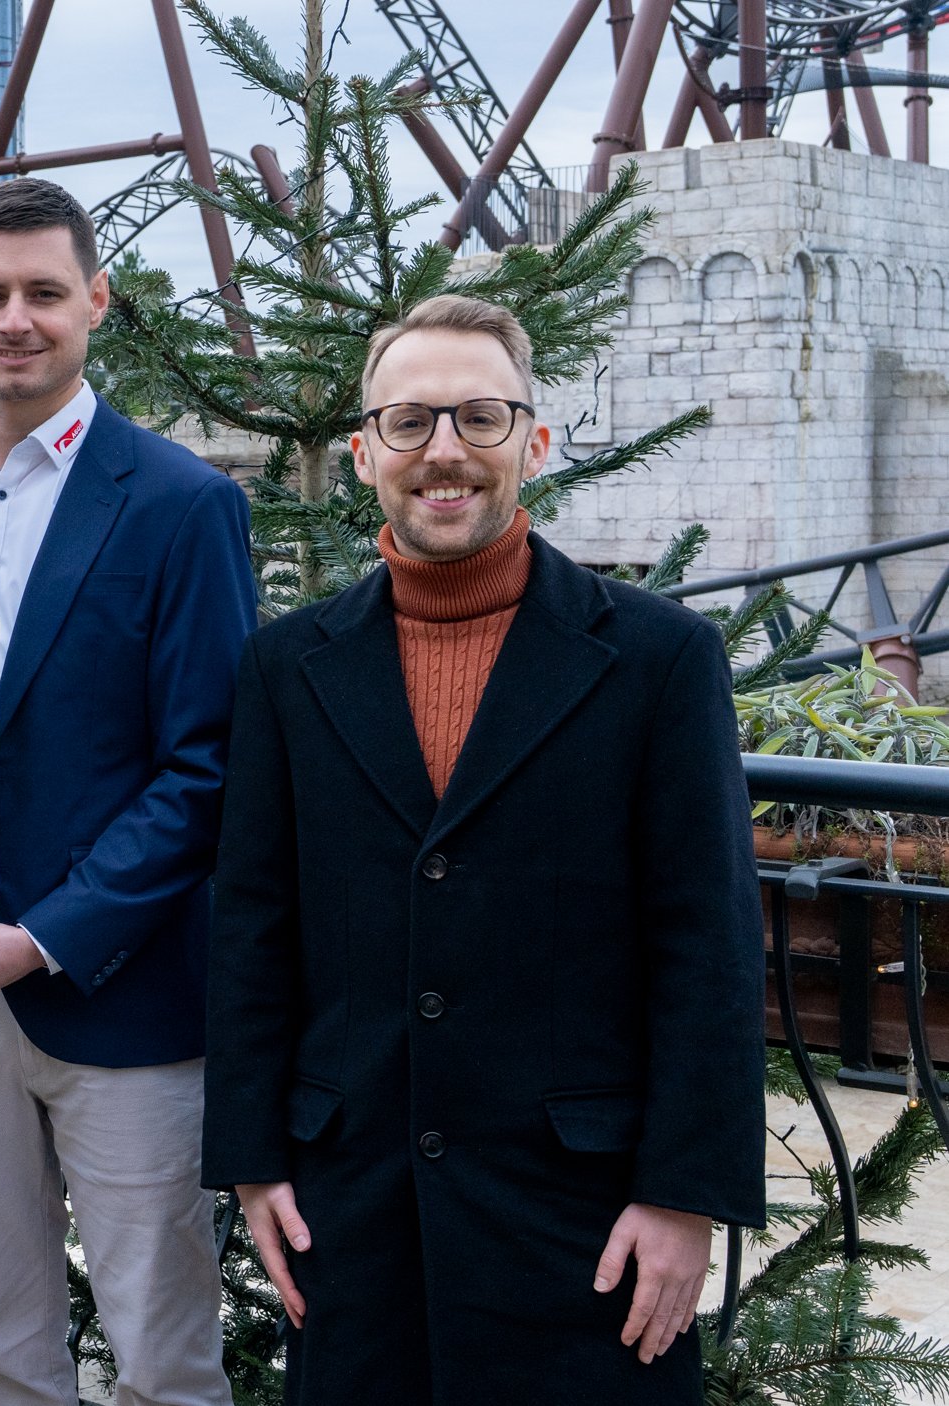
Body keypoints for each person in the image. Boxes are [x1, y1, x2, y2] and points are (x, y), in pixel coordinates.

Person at [202, 293, 767, 1401]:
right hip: (352, 1207)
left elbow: (708, 942)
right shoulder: (285, 668)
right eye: (409, 421)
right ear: (366, 453)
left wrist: (683, 1195)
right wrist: (253, 1160)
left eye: (479, 416)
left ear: (534, 442)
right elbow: (253, 923)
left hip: (583, 1220)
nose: (444, 450)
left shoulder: (659, 660)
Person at [0, 176, 255, 1406]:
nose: (14, 318)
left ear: (97, 300)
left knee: (162, 1350)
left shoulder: (184, 504)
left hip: (123, 994)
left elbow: (208, 763)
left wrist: (42, 936)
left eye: (44, 291)